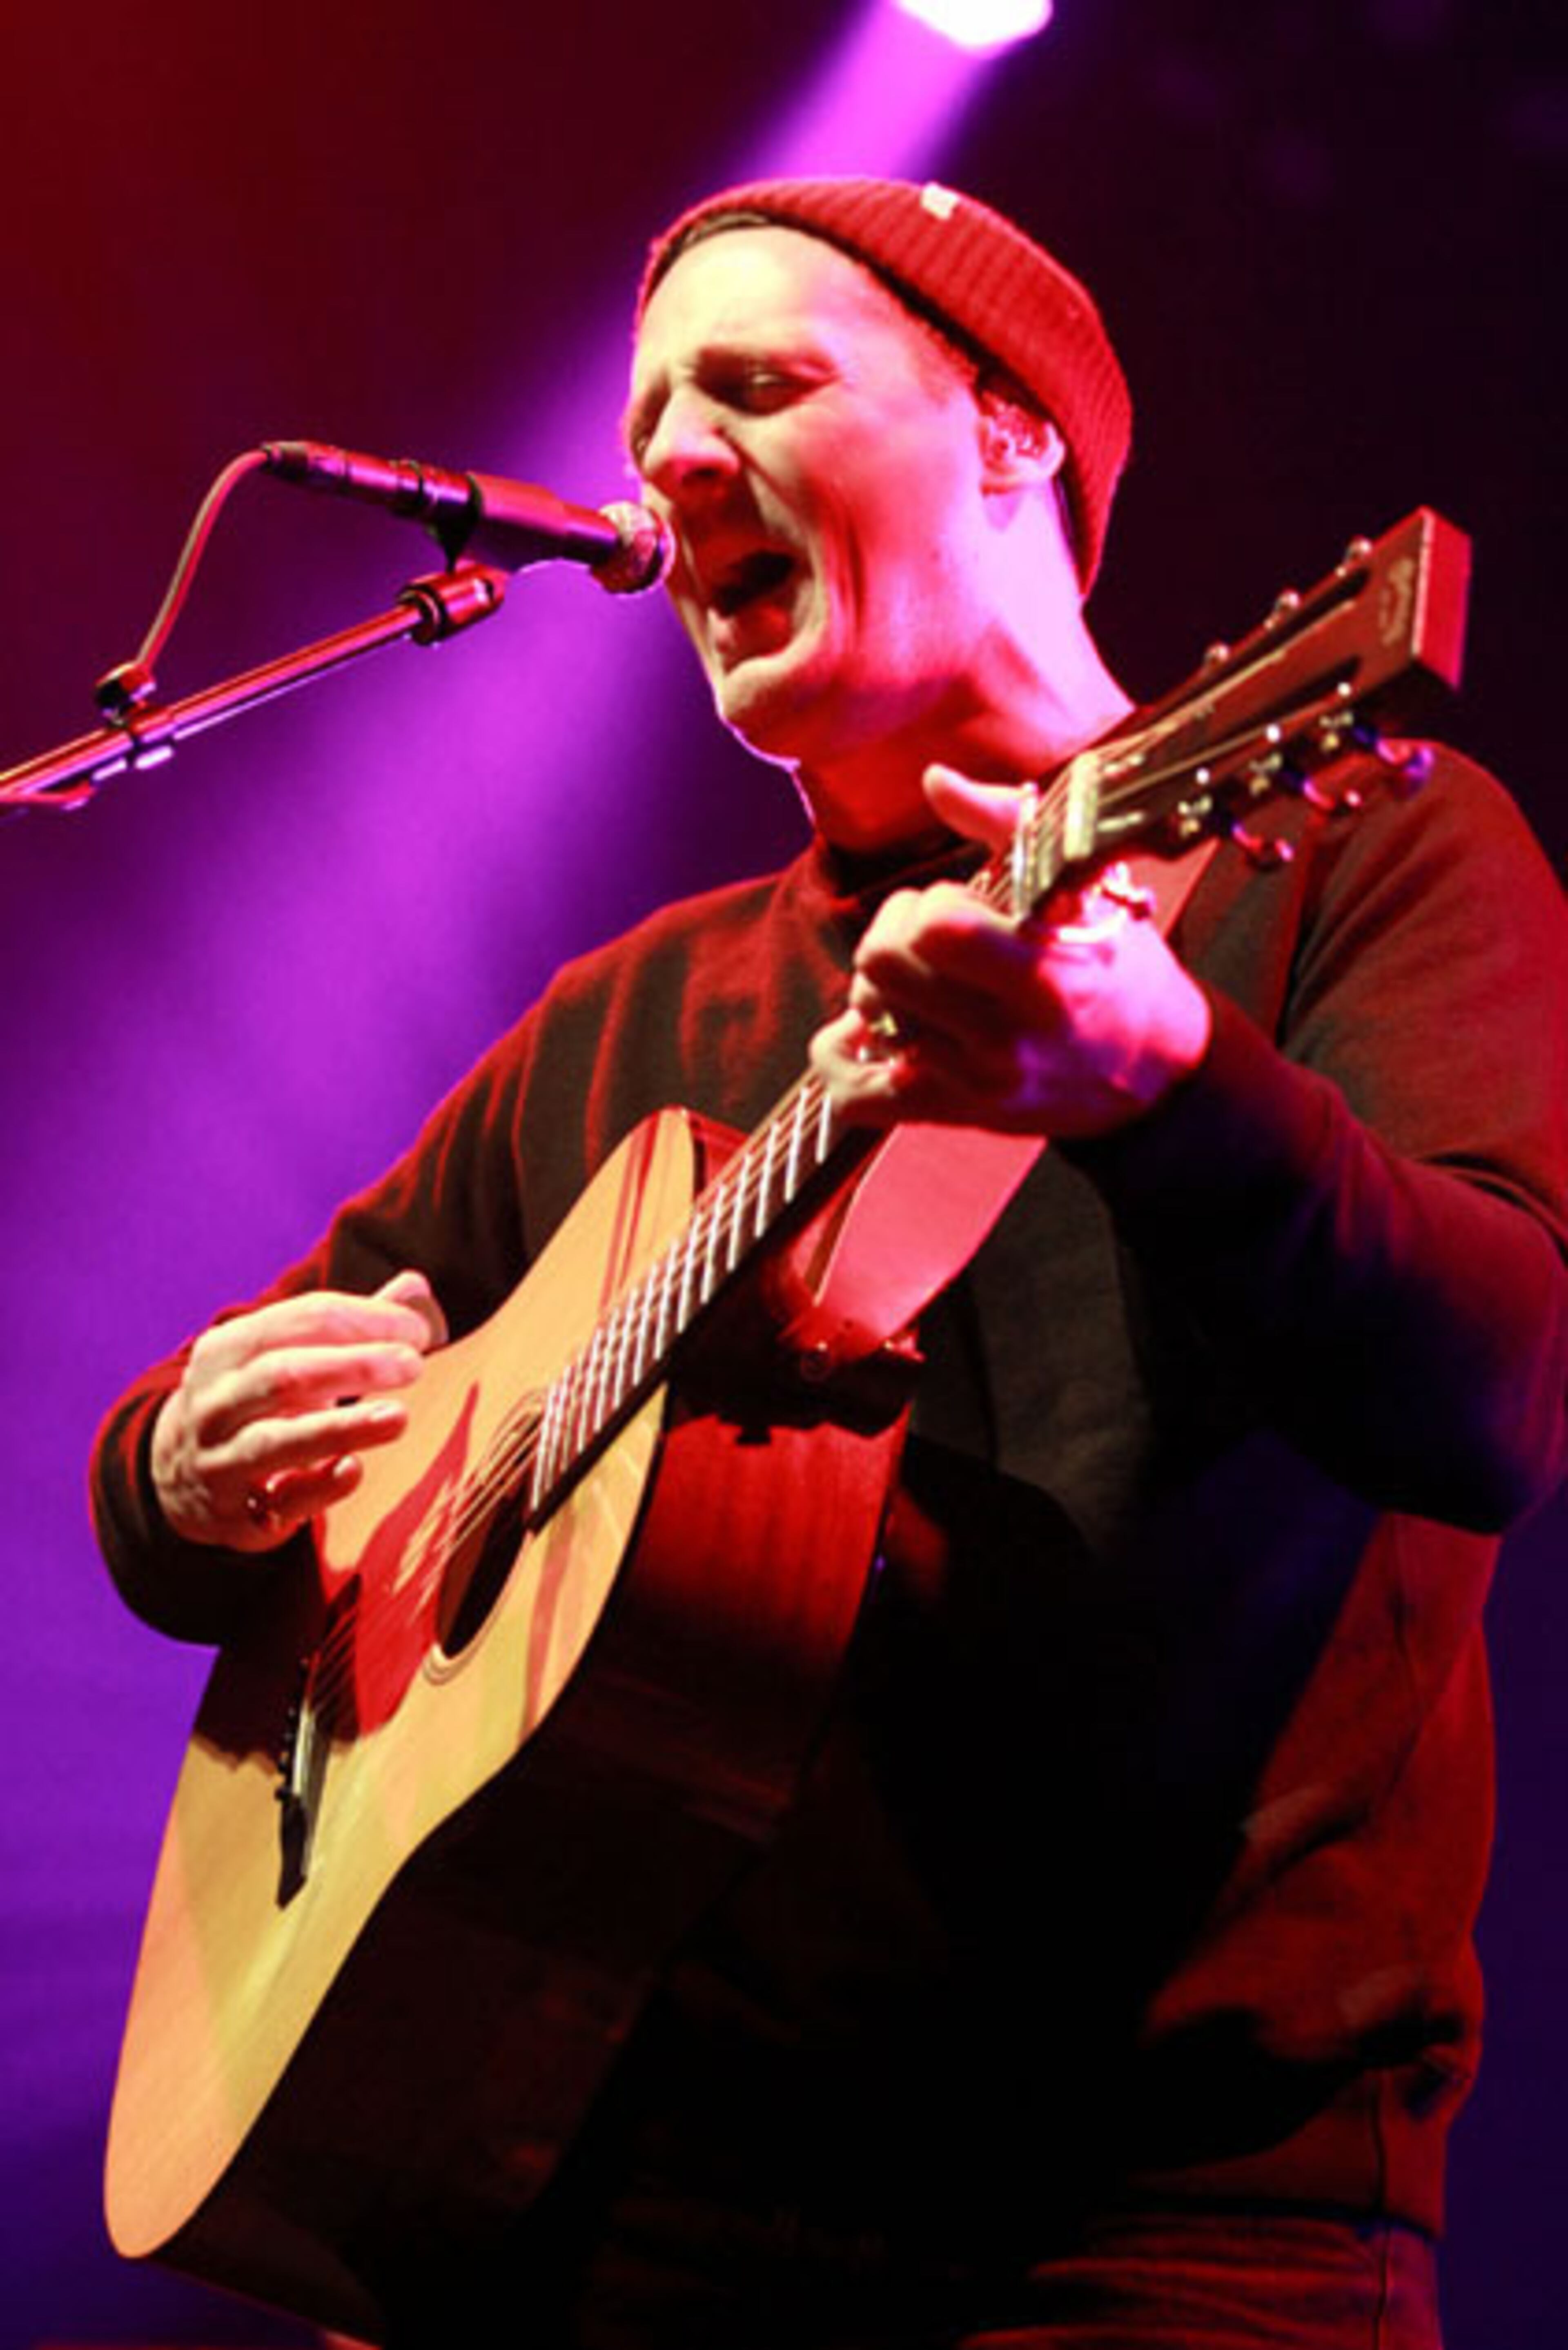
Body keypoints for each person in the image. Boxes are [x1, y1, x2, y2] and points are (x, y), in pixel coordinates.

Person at [91, 177, 1568, 2348]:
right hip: (592, 2210)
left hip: (1155, 2242)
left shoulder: (1352, 844)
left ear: (1011, 442)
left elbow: (1496, 1396)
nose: (672, 463)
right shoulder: (624, 1020)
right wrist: (183, 1474)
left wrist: (1169, 1090)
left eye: (761, 388)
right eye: (652, 417)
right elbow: (203, 1457)